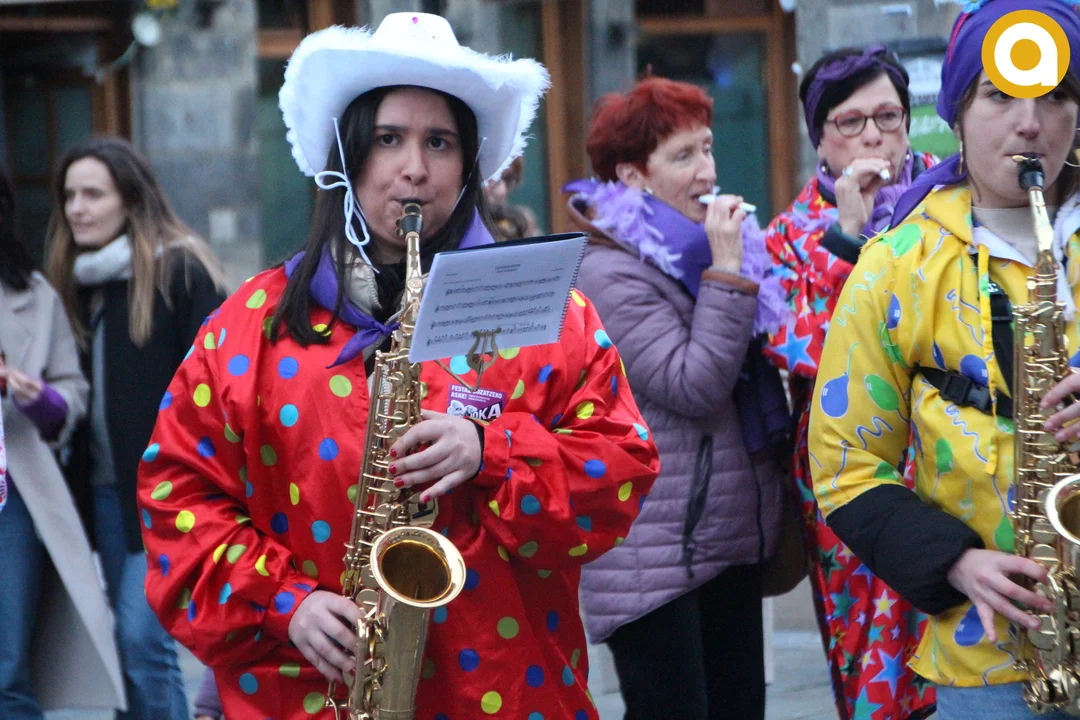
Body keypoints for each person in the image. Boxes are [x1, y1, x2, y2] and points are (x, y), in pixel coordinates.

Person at [137, 13, 659, 720]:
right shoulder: (249, 325)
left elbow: (623, 467)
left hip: (506, 693)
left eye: (439, 142)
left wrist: (493, 452)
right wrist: (282, 603)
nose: (414, 168)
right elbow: (176, 495)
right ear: (347, 156)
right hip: (309, 693)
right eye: (388, 139)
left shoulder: (551, 312)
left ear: (468, 165)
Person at [811, 2, 1080, 718]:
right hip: (985, 657)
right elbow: (843, 466)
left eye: (1055, 95)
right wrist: (956, 562)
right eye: (1000, 95)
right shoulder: (895, 265)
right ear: (956, 113)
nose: (1030, 123)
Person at [568, 75, 792, 720]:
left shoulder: (687, 253)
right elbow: (694, 385)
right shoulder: (607, 271)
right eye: (683, 155)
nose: (708, 171)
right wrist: (727, 271)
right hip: (653, 558)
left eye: (708, 148)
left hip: (721, 540)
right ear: (632, 176)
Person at [762, 44, 937, 720]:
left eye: (888, 117)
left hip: (953, 450)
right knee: (869, 650)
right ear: (821, 138)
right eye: (851, 121)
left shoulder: (953, 200)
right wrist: (846, 237)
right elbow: (802, 349)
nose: (873, 137)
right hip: (848, 463)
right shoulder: (787, 235)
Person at [44, 136, 227, 720]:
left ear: (130, 199)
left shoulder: (179, 270)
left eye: (93, 195)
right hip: (97, 490)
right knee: (118, 654)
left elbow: (220, 385)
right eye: (69, 196)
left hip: (166, 491)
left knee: (143, 641)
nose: (77, 209)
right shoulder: (76, 279)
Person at [0, 168, 125, 717]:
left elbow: (69, 397)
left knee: (7, 668)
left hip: (13, 494)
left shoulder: (31, 293)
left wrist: (39, 399)